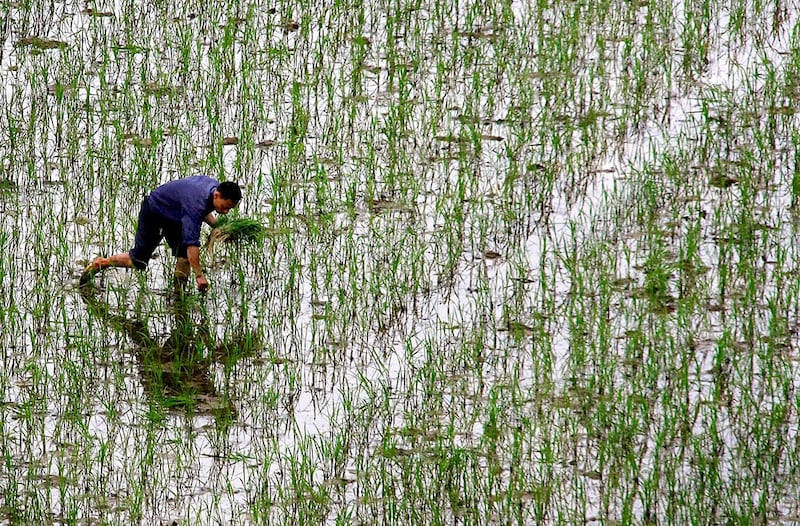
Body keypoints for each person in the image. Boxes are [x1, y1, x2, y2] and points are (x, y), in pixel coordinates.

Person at [80, 175, 242, 292]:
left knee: (184, 257)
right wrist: (199, 276)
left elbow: (201, 210)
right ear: (217, 195)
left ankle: (179, 294)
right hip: (155, 211)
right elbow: (192, 244)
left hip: (175, 214)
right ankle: (100, 264)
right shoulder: (196, 204)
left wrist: (219, 227)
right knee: (138, 262)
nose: (226, 212)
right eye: (225, 207)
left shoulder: (212, 187)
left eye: (230, 209)